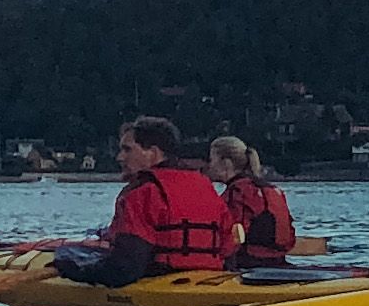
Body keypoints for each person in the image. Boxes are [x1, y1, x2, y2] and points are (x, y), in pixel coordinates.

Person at [53, 117, 234, 287]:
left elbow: (123, 270)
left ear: (153, 153)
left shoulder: (141, 193)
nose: (120, 157)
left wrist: (74, 271)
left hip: (158, 281)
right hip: (208, 277)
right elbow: (228, 250)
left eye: (127, 149)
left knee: (68, 256)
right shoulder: (205, 185)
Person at [209, 133, 297, 273]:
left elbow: (230, 237)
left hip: (247, 264)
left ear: (226, 163)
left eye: (211, 160)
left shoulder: (237, 192)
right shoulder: (272, 190)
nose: (210, 165)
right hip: (277, 260)